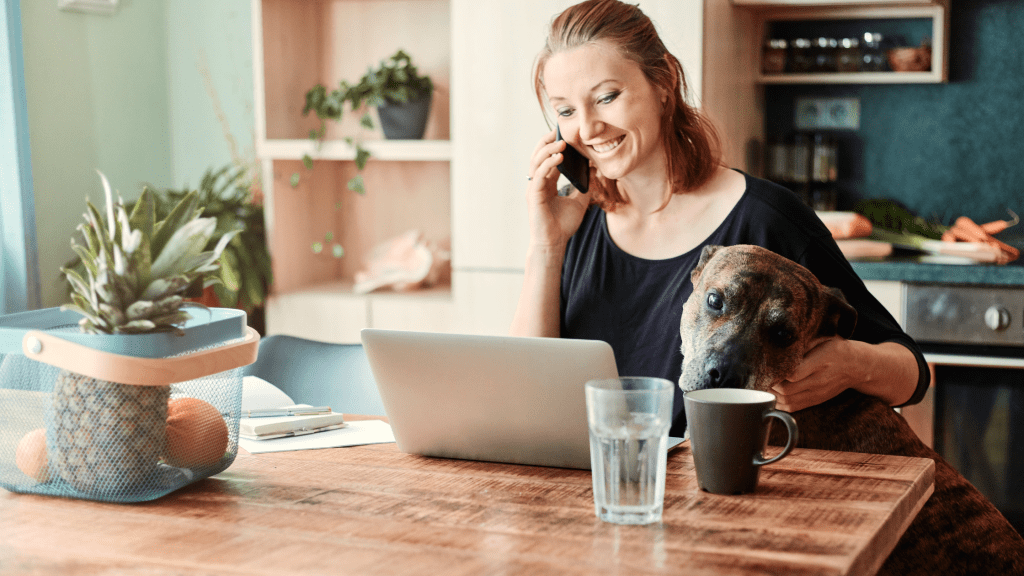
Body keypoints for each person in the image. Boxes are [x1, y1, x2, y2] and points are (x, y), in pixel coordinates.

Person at [510, 0, 928, 437]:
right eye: (565, 111)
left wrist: (849, 364)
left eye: (607, 97)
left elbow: (912, 374)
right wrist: (546, 245)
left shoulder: (766, 218)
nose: (588, 128)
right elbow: (524, 391)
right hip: (591, 488)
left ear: (665, 82)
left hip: (717, 497)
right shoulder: (575, 225)